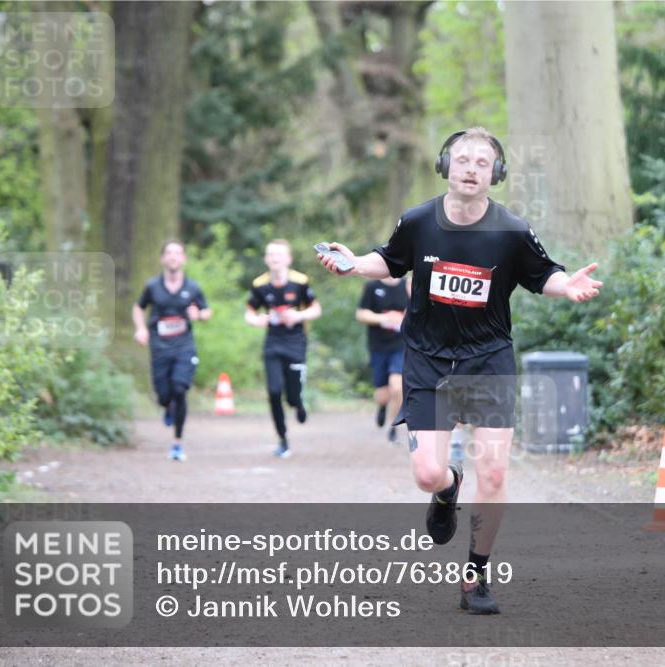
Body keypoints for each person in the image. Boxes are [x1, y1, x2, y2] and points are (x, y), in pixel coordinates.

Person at [318, 128, 602, 614]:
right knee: (427, 474)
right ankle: (448, 489)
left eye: (482, 162)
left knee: (494, 472)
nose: (471, 168)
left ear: (496, 173)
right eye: (463, 159)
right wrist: (354, 264)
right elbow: (389, 260)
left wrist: (566, 285)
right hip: (428, 360)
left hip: (488, 360)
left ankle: (476, 577)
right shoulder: (417, 221)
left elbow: (543, 274)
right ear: (446, 166)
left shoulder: (511, 230)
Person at [132, 240, 212, 462]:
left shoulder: (192, 287)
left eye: (177, 253)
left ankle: (177, 443)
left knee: (179, 389)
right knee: (163, 396)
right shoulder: (152, 286)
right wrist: (140, 329)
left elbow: (207, 311)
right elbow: (138, 307)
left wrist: (199, 315)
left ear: (183, 259)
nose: (173, 257)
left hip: (184, 347)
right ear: (163, 259)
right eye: (169, 253)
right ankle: (167, 407)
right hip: (159, 347)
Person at [245, 239, 322, 458]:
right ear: (266, 259)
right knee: (274, 391)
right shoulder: (260, 284)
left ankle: (298, 404)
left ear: (288, 259)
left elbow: (316, 309)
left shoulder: (300, 281)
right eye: (271, 255)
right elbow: (249, 312)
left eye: (279, 255)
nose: (275, 259)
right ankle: (283, 439)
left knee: (292, 397)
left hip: (296, 342)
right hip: (273, 342)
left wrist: (298, 315)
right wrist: (257, 320)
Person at [355, 276, 409, 443]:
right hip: (378, 346)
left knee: (397, 387)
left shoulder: (408, 285)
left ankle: (394, 426)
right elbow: (361, 314)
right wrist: (385, 318)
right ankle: (382, 405)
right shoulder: (372, 286)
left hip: (402, 344)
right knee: (382, 394)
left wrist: (404, 318)